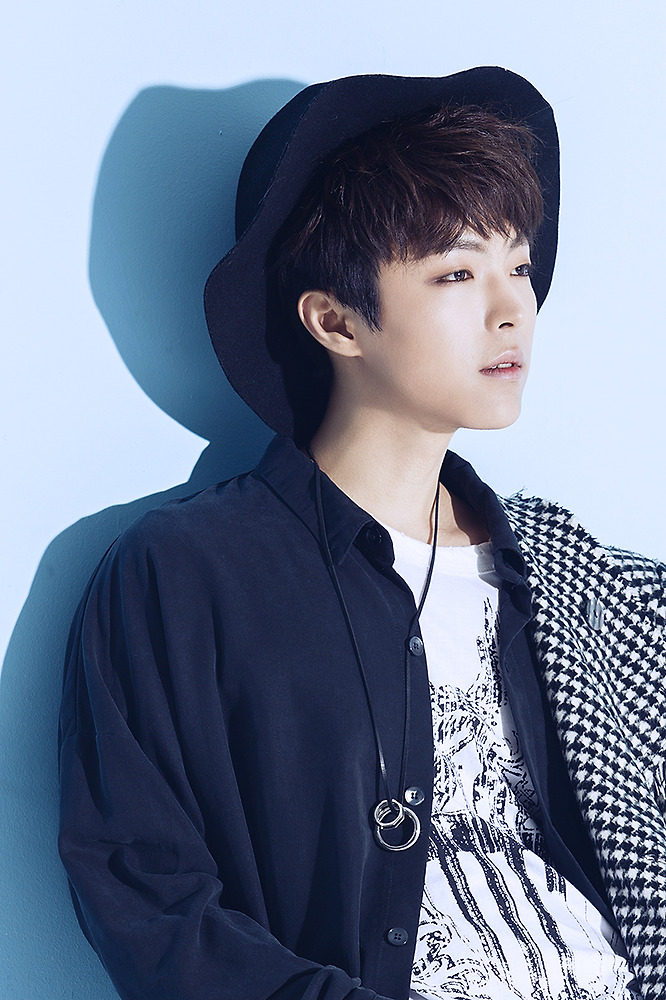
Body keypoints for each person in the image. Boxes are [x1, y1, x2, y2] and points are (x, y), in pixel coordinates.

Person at [58, 68, 666, 1000]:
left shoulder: (581, 582)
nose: (512, 308)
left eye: (518, 266)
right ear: (336, 321)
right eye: (457, 273)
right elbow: (148, 895)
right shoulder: (187, 574)